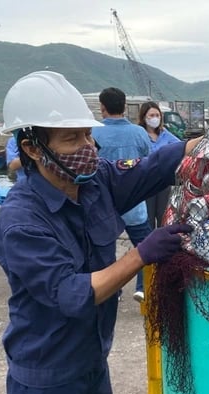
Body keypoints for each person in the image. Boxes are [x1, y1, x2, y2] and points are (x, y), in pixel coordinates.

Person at [0, 70, 195, 394]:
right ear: (33, 147)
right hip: (46, 358)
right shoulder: (21, 220)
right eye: (71, 138)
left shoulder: (95, 181)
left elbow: (151, 170)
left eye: (87, 135)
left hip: (91, 349)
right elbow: (70, 294)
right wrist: (141, 255)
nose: (87, 146)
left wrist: (198, 144)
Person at [91, 87, 154, 302]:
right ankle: (143, 287)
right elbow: (149, 161)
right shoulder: (139, 133)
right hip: (135, 204)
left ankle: (111, 290)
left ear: (102, 107)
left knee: (104, 248)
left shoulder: (93, 132)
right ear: (125, 106)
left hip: (103, 204)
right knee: (144, 246)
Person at [138, 101, 180, 228]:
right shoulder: (140, 134)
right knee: (148, 216)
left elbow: (179, 147)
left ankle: (162, 244)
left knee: (163, 215)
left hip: (163, 182)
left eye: (157, 115)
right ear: (144, 117)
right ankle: (148, 244)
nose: (155, 118)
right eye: (151, 115)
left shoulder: (165, 134)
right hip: (146, 182)